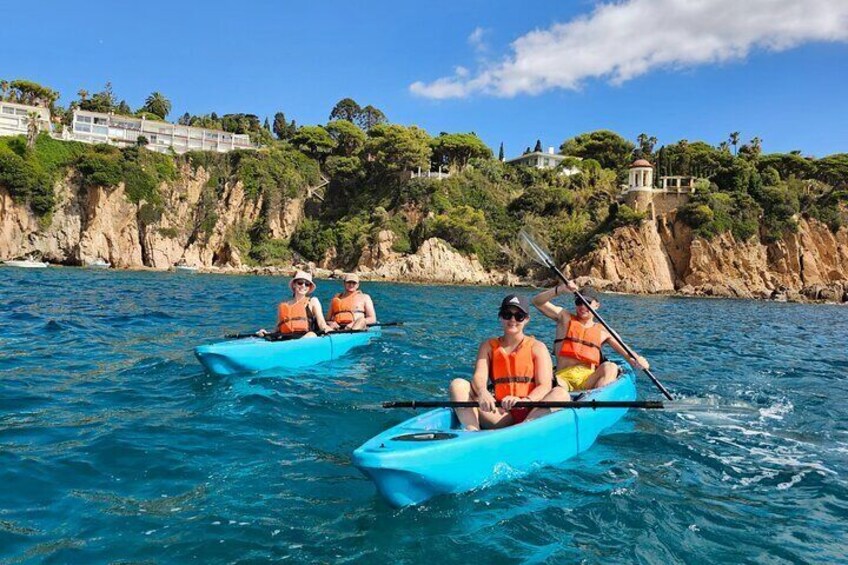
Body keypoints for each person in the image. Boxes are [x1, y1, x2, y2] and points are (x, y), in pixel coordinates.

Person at [448, 294, 560, 431]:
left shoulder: (538, 347)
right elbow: (479, 376)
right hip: (501, 414)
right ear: (500, 317)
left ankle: (523, 429)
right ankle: (472, 433)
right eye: (507, 315)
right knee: (458, 384)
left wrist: (527, 401)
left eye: (519, 316)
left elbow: (544, 386)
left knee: (561, 393)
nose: (512, 320)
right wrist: (483, 392)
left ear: (526, 320)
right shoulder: (488, 346)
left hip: (531, 413)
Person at [531, 282, 649, 391]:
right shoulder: (564, 318)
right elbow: (537, 302)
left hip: (588, 381)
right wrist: (560, 289)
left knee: (611, 367)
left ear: (597, 305)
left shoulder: (605, 331)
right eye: (579, 302)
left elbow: (627, 353)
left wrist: (638, 359)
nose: (582, 306)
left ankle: (597, 402)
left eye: (587, 302)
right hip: (562, 379)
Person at [257, 271, 329, 338]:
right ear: (294, 284)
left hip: (306, 338)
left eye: (307, 284)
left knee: (311, 335)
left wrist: (327, 329)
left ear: (309, 287)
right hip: (286, 338)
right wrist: (266, 333)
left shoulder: (313, 301)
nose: (303, 286)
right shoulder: (285, 305)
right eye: (300, 282)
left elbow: (321, 323)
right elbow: (277, 329)